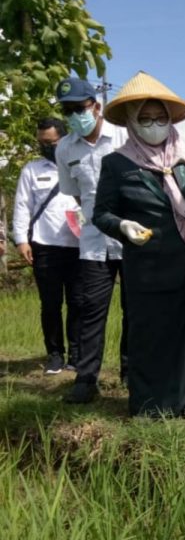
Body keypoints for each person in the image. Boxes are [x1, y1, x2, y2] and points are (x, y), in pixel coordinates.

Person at [92, 71, 185, 417]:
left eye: (160, 118)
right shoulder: (118, 164)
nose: (154, 125)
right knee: (153, 337)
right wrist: (123, 225)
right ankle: (155, 405)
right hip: (148, 268)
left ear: (170, 120)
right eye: (146, 119)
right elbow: (101, 214)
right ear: (133, 123)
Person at [55, 77, 128, 403]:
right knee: (89, 309)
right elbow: (72, 192)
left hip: (132, 237)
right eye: (67, 111)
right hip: (94, 242)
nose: (74, 116)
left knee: (136, 308)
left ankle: (132, 371)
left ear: (96, 106)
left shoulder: (124, 135)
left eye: (79, 108)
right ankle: (86, 379)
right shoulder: (65, 148)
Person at [12, 117, 82, 374]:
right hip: (44, 245)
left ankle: (77, 354)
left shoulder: (79, 163)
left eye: (51, 143)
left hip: (78, 244)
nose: (47, 148)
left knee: (78, 302)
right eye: (42, 143)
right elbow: (22, 205)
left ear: (63, 139)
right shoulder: (32, 169)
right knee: (50, 303)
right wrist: (21, 239)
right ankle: (55, 354)